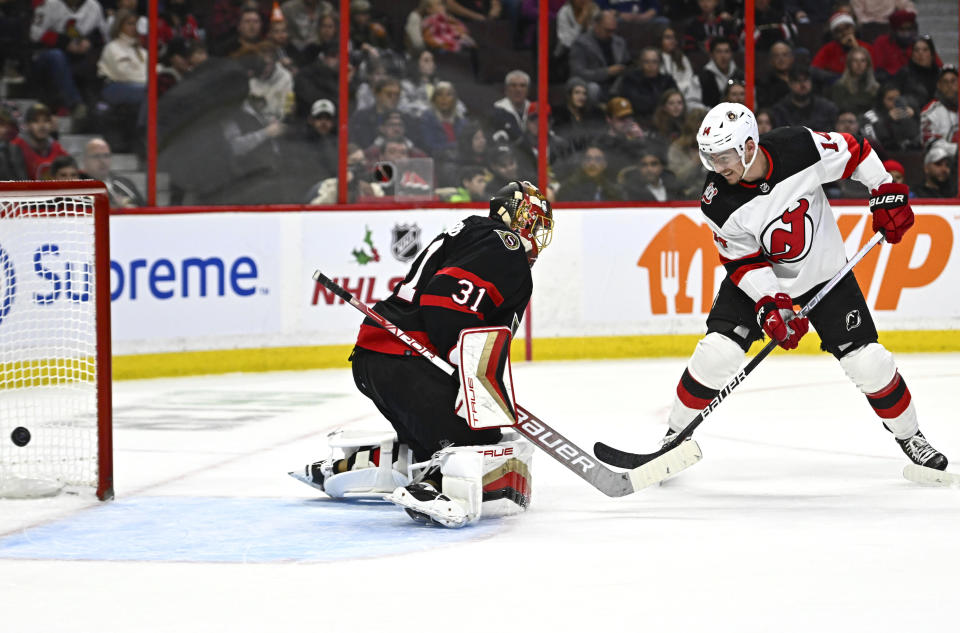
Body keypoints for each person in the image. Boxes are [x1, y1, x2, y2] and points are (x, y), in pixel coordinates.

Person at [658, 101, 947, 476]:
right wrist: (771, 305)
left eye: (725, 156)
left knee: (870, 363)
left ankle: (912, 437)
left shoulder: (799, 147)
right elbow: (743, 262)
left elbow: (856, 152)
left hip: (824, 275)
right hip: (760, 281)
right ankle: (673, 437)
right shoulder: (718, 201)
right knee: (716, 354)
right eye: (711, 158)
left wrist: (884, 191)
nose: (718, 167)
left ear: (748, 146)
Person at [294, 181, 554, 527]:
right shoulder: (505, 246)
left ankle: (350, 467)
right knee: (478, 442)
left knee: (427, 444)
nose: (535, 235)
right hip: (409, 362)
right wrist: (467, 372)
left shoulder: (474, 234)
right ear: (514, 215)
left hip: (376, 358)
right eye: (533, 223)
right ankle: (438, 487)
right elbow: (445, 303)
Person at [569, 9, 630, 102]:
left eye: (613, 30)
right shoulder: (581, 43)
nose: (611, 34)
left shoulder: (619, 42)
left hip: (616, 83)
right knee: (593, 88)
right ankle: (592, 114)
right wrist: (606, 72)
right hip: (593, 83)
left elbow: (627, 63)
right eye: (607, 30)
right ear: (596, 26)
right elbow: (578, 72)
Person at [11, 103, 71, 180]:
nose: (42, 125)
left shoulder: (56, 147)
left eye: (46, 121)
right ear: (27, 125)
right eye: (36, 121)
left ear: (51, 124)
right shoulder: (16, 146)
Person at [81, 137, 145, 207]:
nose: (102, 161)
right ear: (85, 161)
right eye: (96, 156)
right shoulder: (79, 188)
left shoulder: (125, 183)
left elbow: (145, 209)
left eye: (106, 156)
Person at [771, 66, 838, 131]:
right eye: (797, 80)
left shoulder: (827, 108)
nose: (802, 85)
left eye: (806, 80)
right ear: (790, 84)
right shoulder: (780, 111)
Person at [859, 83, 920, 153]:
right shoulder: (869, 116)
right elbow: (873, 143)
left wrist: (914, 118)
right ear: (881, 100)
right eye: (890, 99)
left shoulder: (907, 113)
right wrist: (888, 120)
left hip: (907, 156)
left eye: (898, 98)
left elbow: (915, 140)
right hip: (881, 157)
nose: (895, 102)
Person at [919, 66, 958, 158]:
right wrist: (956, 149)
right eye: (945, 82)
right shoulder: (930, 111)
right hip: (943, 163)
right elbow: (929, 142)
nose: (949, 86)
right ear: (939, 85)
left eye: (953, 81)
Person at [830, 46, 879, 114]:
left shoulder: (875, 88)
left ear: (868, 64)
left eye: (863, 60)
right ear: (849, 64)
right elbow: (839, 111)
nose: (859, 64)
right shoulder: (840, 86)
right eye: (855, 60)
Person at [697, 38, 742, 108]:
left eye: (726, 51)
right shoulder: (700, 78)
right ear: (712, 55)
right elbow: (692, 103)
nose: (723, 56)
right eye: (719, 52)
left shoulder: (740, 76)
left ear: (731, 54)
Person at [756, 41, 794, 109]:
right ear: (771, 60)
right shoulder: (764, 84)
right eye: (776, 56)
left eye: (784, 55)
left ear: (792, 58)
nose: (781, 59)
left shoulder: (801, 78)